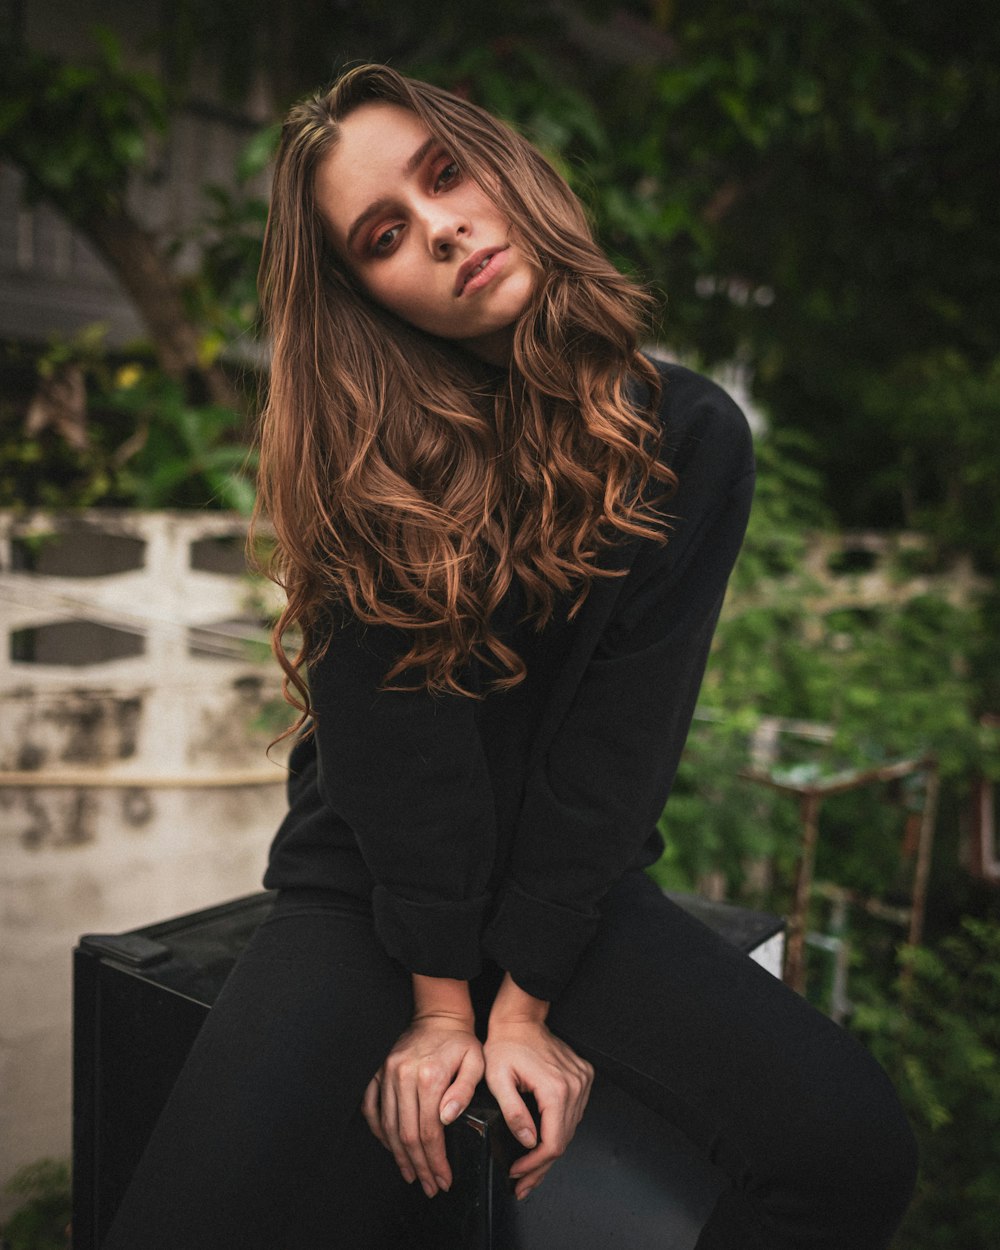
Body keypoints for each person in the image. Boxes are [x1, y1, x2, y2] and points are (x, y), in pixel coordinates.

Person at [103, 64, 917, 1250]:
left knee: (850, 1146)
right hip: (375, 886)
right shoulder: (364, 451)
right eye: (386, 235)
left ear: (503, 167)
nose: (441, 228)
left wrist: (525, 999)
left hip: (561, 890)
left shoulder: (687, 434)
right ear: (367, 293)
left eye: (445, 175)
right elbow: (397, 754)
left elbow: (617, 747)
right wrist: (443, 1008)